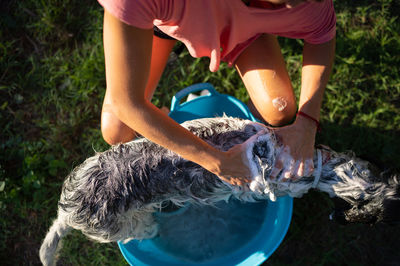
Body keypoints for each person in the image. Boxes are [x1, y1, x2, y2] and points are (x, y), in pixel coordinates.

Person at [98, 0, 336, 186]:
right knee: (116, 130)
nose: (294, 6)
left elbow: (322, 35)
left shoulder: (309, 4)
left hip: (245, 28)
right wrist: (214, 161)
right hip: (159, 23)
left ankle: (253, 124)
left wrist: (307, 121)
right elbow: (126, 103)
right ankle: (161, 117)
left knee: (279, 109)